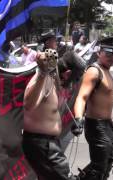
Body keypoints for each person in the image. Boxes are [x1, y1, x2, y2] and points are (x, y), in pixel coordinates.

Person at [22, 33, 84, 179]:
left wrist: (79, 119)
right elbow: (28, 104)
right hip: (41, 145)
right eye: (75, 79)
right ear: (68, 73)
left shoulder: (57, 81)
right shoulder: (45, 79)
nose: (74, 83)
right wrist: (43, 73)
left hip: (48, 144)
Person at [73, 36, 113, 180]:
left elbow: (107, 104)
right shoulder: (94, 71)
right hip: (95, 126)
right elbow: (82, 97)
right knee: (98, 168)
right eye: (108, 53)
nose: (112, 57)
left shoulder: (107, 71)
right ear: (98, 53)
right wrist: (78, 119)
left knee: (108, 161)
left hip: (106, 125)